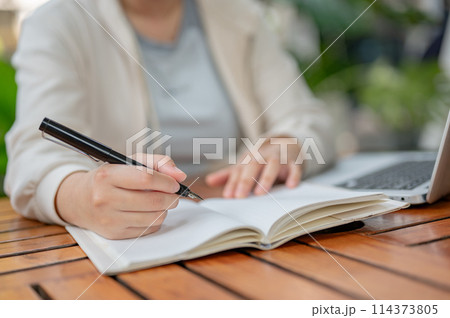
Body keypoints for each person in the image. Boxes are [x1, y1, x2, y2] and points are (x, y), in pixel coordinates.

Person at [5, 0, 335, 239]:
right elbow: (31, 158)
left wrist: (287, 142)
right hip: (142, 240)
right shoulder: (58, 23)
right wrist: (81, 196)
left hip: (251, 217)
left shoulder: (241, 14)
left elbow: (308, 118)